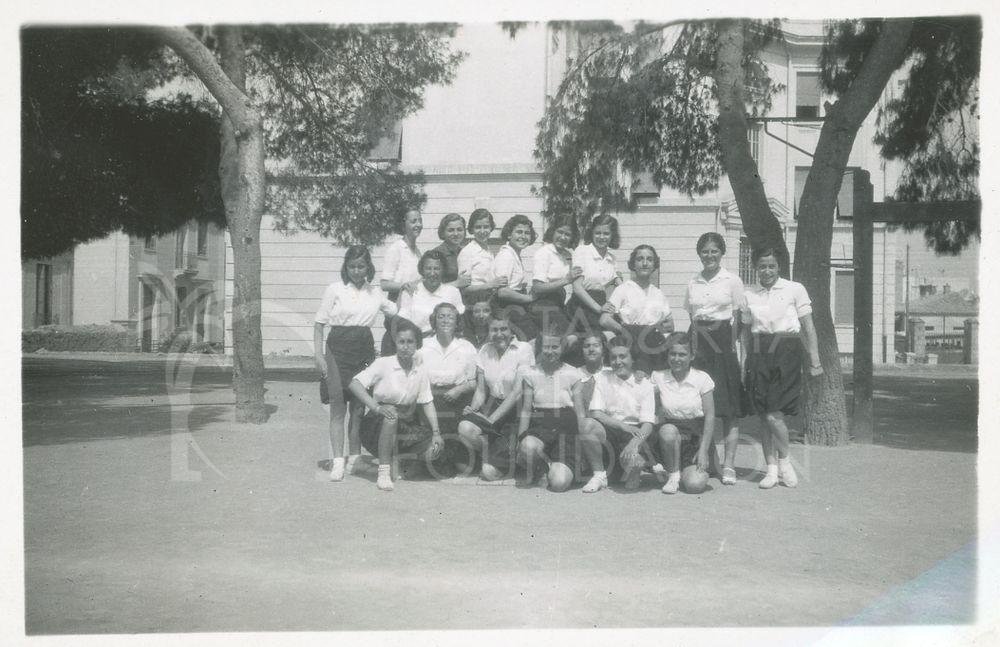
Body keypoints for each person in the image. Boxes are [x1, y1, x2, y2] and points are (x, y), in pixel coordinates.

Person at [741, 247, 823, 489]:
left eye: (771, 266)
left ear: (779, 267)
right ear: (756, 268)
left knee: (774, 415)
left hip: (786, 351)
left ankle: (785, 462)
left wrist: (815, 360)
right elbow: (746, 332)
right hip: (759, 352)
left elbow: (808, 327)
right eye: (762, 266)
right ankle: (771, 469)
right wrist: (744, 359)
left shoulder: (794, 289)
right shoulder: (749, 294)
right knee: (763, 416)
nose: (767, 271)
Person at [314, 245, 397, 481]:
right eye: (352, 266)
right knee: (338, 408)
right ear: (346, 267)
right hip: (338, 348)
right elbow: (319, 324)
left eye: (361, 266)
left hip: (363, 348)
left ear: (368, 267)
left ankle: (354, 459)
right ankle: (338, 461)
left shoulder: (376, 292)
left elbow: (396, 311)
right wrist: (318, 355)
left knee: (359, 409)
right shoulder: (335, 289)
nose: (357, 271)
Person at [348, 319, 445, 492]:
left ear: (417, 344)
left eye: (410, 342)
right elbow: (355, 383)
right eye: (401, 342)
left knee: (434, 449)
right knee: (391, 414)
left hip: (406, 424)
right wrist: (376, 407)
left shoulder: (420, 369)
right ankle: (383, 472)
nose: (405, 346)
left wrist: (437, 433)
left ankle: (399, 460)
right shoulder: (384, 363)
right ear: (395, 344)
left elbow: (427, 401)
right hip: (377, 423)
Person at [683, 232, 746, 486]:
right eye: (705, 251)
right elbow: (691, 315)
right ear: (699, 254)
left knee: (728, 407)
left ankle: (729, 464)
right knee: (699, 405)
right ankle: (709, 458)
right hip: (698, 340)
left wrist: (729, 345)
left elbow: (738, 316)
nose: (709, 256)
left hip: (722, 340)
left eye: (714, 251)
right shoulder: (693, 282)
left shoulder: (732, 280)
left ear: (722, 253)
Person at [456, 311, 535, 481]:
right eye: (494, 329)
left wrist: (490, 420)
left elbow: (517, 392)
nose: (499, 334)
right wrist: (474, 408)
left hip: (516, 411)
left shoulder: (524, 349)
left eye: (504, 329)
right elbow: (481, 390)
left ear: (511, 329)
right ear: (489, 330)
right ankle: (496, 454)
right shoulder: (484, 350)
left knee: (488, 473)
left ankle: (509, 459)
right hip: (492, 406)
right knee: (465, 427)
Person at [581, 336, 657, 492]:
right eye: (613, 357)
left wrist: (634, 443)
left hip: (635, 431)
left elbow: (648, 424)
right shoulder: (603, 378)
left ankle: (634, 470)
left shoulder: (644, 384)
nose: (618, 361)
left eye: (623, 356)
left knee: (634, 461)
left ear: (632, 359)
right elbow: (596, 412)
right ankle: (599, 475)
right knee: (587, 424)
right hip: (610, 428)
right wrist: (622, 426)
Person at [515, 332, 586, 492]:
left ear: (562, 349)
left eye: (555, 347)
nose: (550, 351)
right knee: (527, 447)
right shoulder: (531, 374)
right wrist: (520, 440)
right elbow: (526, 410)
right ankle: (542, 467)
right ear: (540, 348)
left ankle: (556, 467)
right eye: (546, 347)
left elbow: (580, 411)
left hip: (566, 426)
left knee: (559, 484)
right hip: (540, 423)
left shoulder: (573, 373)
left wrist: (583, 441)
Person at [651, 332, 718, 494]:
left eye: (682, 354)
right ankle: (673, 475)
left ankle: (684, 471)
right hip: (669, 438)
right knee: (667, 430)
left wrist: (703, 451)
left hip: (695, 437)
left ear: (692, 356)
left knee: (695, 485)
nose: (676, 359)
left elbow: (710, 417)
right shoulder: (658, 377)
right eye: (672, 354)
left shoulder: (702, 378)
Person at [416, 302, 478, 477]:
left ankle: (453, 457)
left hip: (456, 400)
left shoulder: (466, 347)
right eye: (440, 316)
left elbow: (474, 382)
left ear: (457, 322)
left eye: (450, 316)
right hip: (429, 399)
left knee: (461, 468)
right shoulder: (423, 345)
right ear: (434, 320)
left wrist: (458, 390)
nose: (445, 320)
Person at [604, 244, 674, 373]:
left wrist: (654, 328)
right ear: (633, 264)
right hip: (630, 344)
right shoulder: (622, 289)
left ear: (654, 265)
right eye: (640, 259)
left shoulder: (658, 293)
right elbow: (605, 319)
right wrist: (625, 330)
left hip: (653, 345)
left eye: (649, 259)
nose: (645, 263)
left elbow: (670, 324)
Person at [529, 214, 582, 342]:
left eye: (567, 234)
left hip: (560, 304)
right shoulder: (544, 252)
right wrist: (566, 280)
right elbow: (537, 287)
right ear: (553, 231)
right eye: (560, 232)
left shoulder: (568, 255)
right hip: (542, 304)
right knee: (569, 337)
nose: (563, 237)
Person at [394, 250, 465, 345]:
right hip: (417, 344)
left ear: (443, 270)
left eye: (436, 268)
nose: (432, 273)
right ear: (422, 270)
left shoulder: (452, 292)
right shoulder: (411, 291)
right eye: (428, 268)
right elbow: (402, 322)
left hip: (444, 344)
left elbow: (458, 324)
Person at [569, 214, 622, 337]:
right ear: (591, 233)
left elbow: (618, 286)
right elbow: (577, 288)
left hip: (603, 303)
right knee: (601, 335)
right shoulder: (582, 251)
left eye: (606, 233)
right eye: (598, 233)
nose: (601, 237)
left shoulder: (612, 259)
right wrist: (599, 309)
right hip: (583, 305)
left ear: (612, 235)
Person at [380, 208, 424, 356]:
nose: (418, 224)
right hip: (397, 309)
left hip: (412, 309)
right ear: (403, 224)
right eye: (413, 221)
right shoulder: (396, 249)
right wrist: (404, 285)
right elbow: (384, 284)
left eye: (420, 220)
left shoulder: (418, 252)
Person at [492, 214, 538, 341]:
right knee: (531, 337)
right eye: (519, 232)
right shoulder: (506, 255)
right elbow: (502, 291)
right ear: (509, 234)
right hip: (506, 307)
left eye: (527, 233)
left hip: (515, 304)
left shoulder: (515, 254)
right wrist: (529, 298)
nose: (523, 236)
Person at [457, 208, 507, 306]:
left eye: (486, 227)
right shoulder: (467, 252)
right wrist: (490, 285)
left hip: (489, 301)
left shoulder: (488, 251)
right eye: (478, 227)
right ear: (472, 229)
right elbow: (463, 289)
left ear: (491, 228)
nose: (482, 231)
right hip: (474, 304)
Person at [431, 212, 472, 289]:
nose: (456, 234)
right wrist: (456, 283)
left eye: (459, 230)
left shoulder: (465, 252)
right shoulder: (435, 254)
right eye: (451, 230)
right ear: (443, 233)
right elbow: (430, 286)